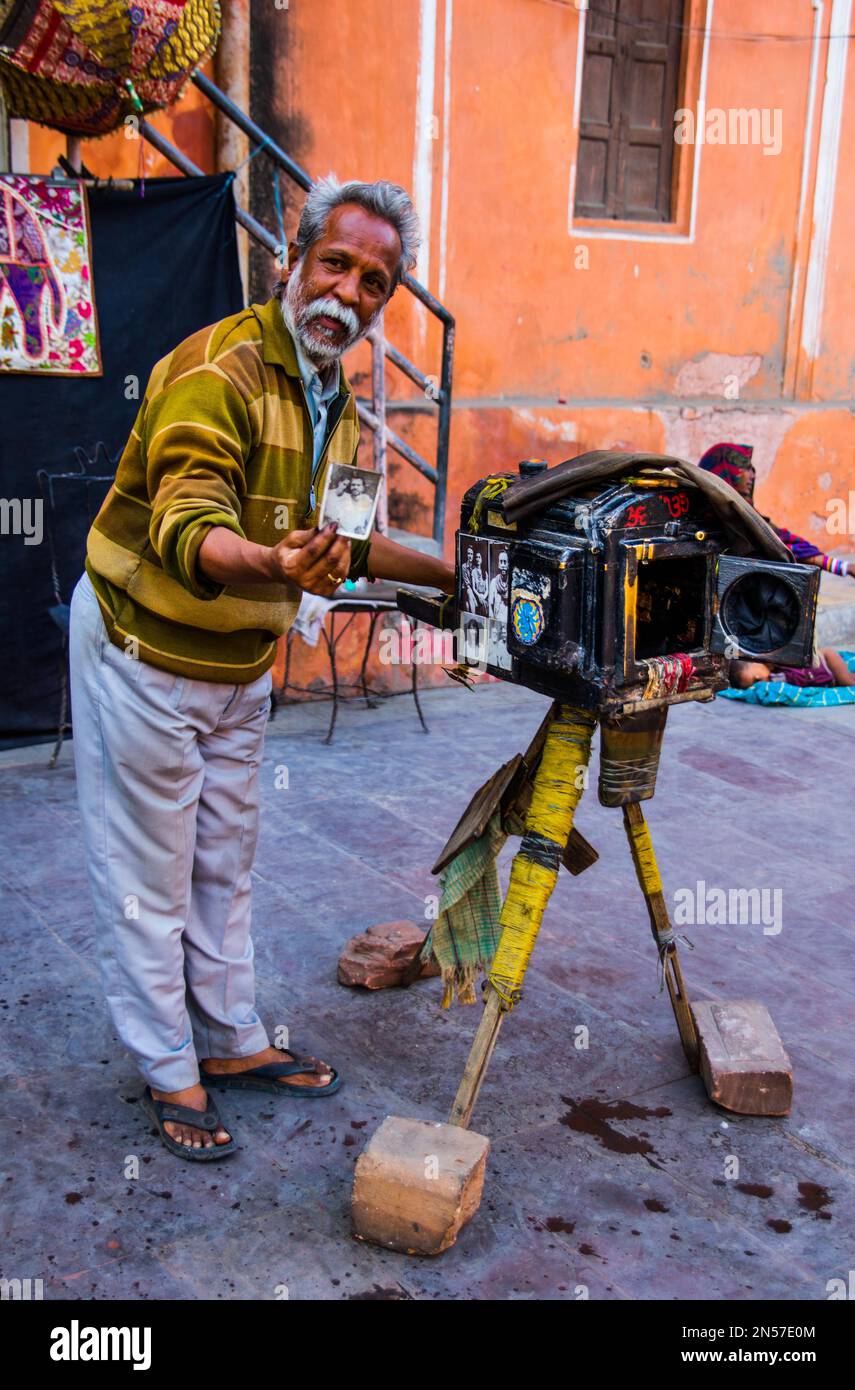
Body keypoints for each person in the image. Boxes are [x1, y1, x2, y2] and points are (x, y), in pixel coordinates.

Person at [70, 175, 455, 1160]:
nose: (349, 292)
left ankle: (234, 1041)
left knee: (223, 864)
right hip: (143, 649)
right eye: (335, 262)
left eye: (375, 281)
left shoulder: (330, 395)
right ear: (292, 261)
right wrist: (270, 561)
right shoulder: (221, 371)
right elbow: (187, 525)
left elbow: (349, 542)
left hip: (239, 660)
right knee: (148, 878)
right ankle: (169, 1066)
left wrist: (456, 576)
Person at [698, 443, 855, 582]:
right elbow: (778, 544)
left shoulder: (745, 516)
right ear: (727, 472)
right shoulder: (725, 518)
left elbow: (781, 542)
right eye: (746, 468)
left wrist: (843, 567)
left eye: (752, 469)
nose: (752, 476)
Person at [730, 650, 855, 690]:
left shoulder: (775, 660)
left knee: (850, 682)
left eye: (755, 678)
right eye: (754, 684)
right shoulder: (772, 678)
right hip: (828, 677)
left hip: (827, 660)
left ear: (754, 662)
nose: (760, 681)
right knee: (854, 677)